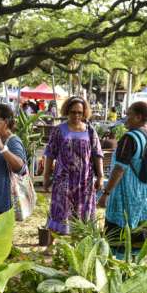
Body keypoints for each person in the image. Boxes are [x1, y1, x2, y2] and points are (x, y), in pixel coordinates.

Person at [99, 101, 147, 246]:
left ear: (138, 117)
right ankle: (134, 262)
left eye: (129, 115)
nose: (125, 118)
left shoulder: (130, 138)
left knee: (119, 232)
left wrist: (106, 193)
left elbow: (119, 169)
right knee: (140, 228)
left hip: (126, 194)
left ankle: (118, 263)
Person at [43, 96, 104, 234]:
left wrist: (100, 176)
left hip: (85, 181)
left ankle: (78, 245)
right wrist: (46, 176)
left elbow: (97, 155)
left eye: (79, 112)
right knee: (60, 211)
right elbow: (50, 154)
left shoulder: (90, 130)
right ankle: (51, 245)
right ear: (67, 111)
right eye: (73, 112)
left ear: (84, 113)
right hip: (63, 180)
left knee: (83, 214)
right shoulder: (59, 130)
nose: (76, 115)